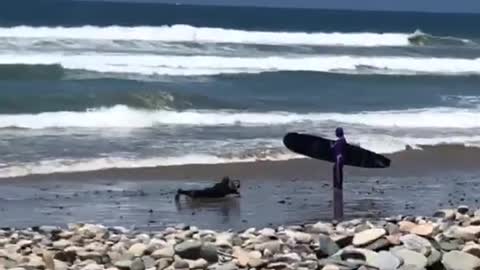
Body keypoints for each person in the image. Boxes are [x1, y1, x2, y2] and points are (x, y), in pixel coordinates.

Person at [175, 176, 241, 201]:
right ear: (227, 183)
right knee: (198, 193)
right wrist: (235, 185)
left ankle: (182, 192)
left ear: (222, 181)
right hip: (211, 195)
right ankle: (183, 193)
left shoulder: (218, 184)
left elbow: (235, 191)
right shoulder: (227, 190)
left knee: (197, 192)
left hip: (209, 191)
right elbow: (236, 192)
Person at [331, 127, 346, 220]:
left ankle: (338, 186)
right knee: (336, 171)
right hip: (340, 159)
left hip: (339, 159)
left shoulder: (341, 141)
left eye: (336, 132)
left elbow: (339, 152)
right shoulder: (342, 140)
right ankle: (338, 185)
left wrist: (338, 159)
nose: (335, 133)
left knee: (337, 172)